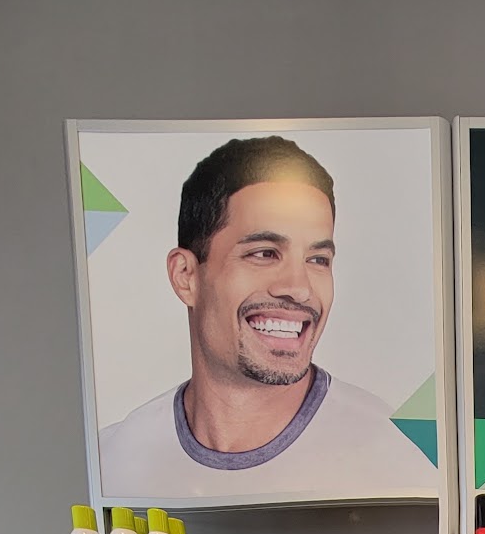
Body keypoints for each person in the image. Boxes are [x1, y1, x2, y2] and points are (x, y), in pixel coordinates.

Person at [99, 135, 415, 500]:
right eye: (264, 253)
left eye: (317, 260)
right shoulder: (113, 461)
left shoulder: (400, 459)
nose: (298, 288)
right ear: (186, 276)